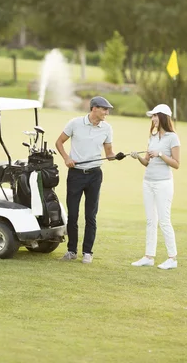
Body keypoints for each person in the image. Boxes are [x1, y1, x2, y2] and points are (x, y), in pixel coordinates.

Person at [55, 96, 124, 264]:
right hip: (76, 174)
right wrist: (66, 158)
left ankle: (87, 252)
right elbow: (59, 142)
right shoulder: (75, 123)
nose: (107, 112)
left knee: (90, 216)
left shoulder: (107, 128)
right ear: (94, 109)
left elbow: (109, 153)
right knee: (73, 215)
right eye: (104, 109)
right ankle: (71, 251)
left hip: (94, 175)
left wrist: (115, 157)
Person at [130, 104, 180, 270]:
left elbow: (176, 164)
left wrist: (160, 154)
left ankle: (172, 258)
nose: (152, 119)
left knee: (164, 220)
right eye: (152, 116)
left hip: (163, 183)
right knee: (151, 220)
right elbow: (147, 162)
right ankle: (149, 256)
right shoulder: (152, 137)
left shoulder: (173, 137)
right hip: (148, 182)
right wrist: (138, 157)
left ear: (163, 117)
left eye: (155, 116)